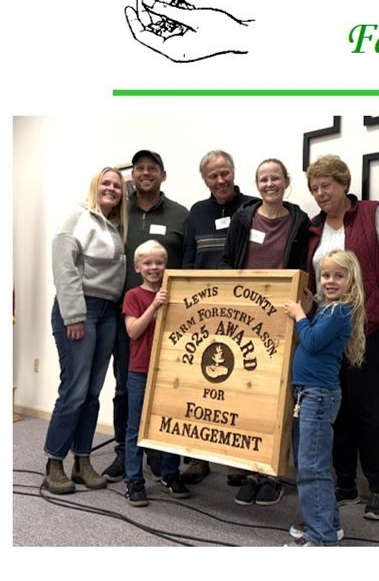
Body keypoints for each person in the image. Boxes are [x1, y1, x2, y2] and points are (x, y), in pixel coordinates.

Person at [304, 155, 379, 521]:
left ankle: (378, 488)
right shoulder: (315, 229)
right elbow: (313, 283)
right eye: (314, 188)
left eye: (326, 186)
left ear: (343, 183)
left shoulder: (370, 214)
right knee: (337, 410)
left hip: (372, 329)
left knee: (369, 412)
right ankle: (345, 483)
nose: (320, 193)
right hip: (329, 330)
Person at [218, 158, 312, 505]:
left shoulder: (300, 220)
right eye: (263, 179)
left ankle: (271, 474)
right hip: (245, 316)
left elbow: (303, 267)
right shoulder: (244, 217)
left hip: (281, 319)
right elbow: (228, 261)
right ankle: (247, 469)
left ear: (286, 182)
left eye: (275, 178)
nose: (269, 183)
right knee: (245, 393)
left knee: (277, 397)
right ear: (256, 184)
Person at [102, 150, 189, 483]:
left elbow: (189, 261)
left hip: (172, 319)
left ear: (163, 175)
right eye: (139, 168)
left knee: (167, 389)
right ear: (133, 176)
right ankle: (125, 456)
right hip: (127, 312)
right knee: (126, 387)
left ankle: (161, 458)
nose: (145, 173)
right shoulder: (118, 212)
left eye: (152, 168)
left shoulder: (181, 214)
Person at [42, 167, 127, 494]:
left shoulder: (116, 226)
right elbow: (64, 267)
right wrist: (74, 314)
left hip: (107, 313)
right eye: (106, 183)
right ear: (95, 187)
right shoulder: (77, 219)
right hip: (80, 310)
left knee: (92, 393)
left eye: (117, 185)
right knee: (75, 390)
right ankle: (54, 462)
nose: (111, 188)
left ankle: (82, 461)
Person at [176, 149, 257, 485]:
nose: (221, 180)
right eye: (213, 176)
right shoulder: (196, 212)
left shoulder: (253, 207)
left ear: (234, 172)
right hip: (202, 311)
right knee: (199, 386)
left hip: (243, 311)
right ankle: (197, 458)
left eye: (225, 173)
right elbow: (188, 260)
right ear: (205, 180)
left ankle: (238, 461)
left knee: (239, 387)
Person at [282, 250, 367, 547]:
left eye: (338, 276)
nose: (330, 281)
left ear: (351, 281)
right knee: (312, 466)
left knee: (312, 468)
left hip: (318, 397)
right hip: (309, 394)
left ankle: (321, 539)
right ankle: (328, 526)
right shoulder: (328, 309)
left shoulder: (340, 311)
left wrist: (299, 315)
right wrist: (307, 309)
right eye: (326, 275)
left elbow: (313, 342)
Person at [121, 240, 192, 506]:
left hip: (170, 372)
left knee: (172, 423)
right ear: (138, 266)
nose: (154, 267)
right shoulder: (133, 296)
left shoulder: (173, 292)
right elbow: (133, 331)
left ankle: (170, 474)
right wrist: (154, 307)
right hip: (140, 370)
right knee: (135, 427)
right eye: (148, 263)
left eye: (159, 262)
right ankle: (134, 480)